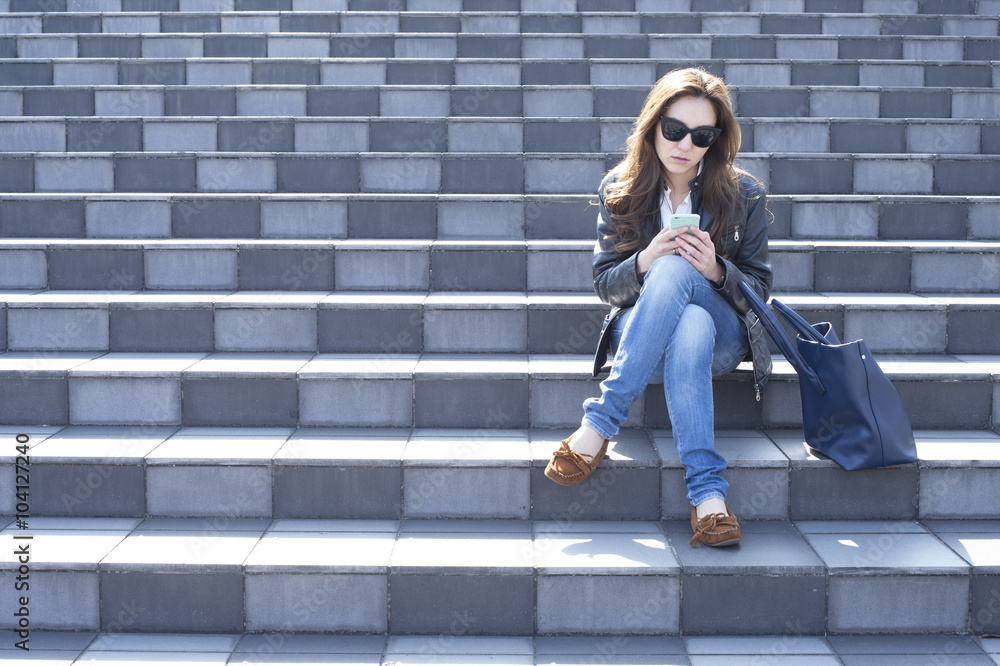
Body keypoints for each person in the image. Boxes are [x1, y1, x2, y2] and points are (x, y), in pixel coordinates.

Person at [544, 68, 773, 547]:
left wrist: (715, 271)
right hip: (646, 330)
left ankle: (600, 422)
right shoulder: (620, 188)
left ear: (715, 140)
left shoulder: (744, 195)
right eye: (674, 129)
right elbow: (606, 285)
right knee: (676, 295)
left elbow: (759, 291)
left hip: (723, 336)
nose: (684, 144)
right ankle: (708, 496)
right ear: (653, 125)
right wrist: (646, 260)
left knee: (689, 296)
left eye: (701, 135)